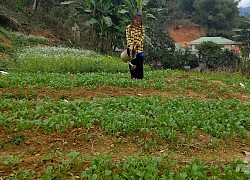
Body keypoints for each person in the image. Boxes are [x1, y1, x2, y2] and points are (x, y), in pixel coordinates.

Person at [126, 12, 145, 79]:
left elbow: (142, 38)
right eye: (137, 21)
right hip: (131, 50)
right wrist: (130, 45)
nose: (138, 22)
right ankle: (133, 77)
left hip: (139, 49)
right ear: (134, 20)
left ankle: (140, 78)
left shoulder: (142, 28)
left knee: (139, 64)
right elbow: (128, 37)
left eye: (140, 21)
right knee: (132, 63)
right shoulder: (129, 27)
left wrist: (136, 45)